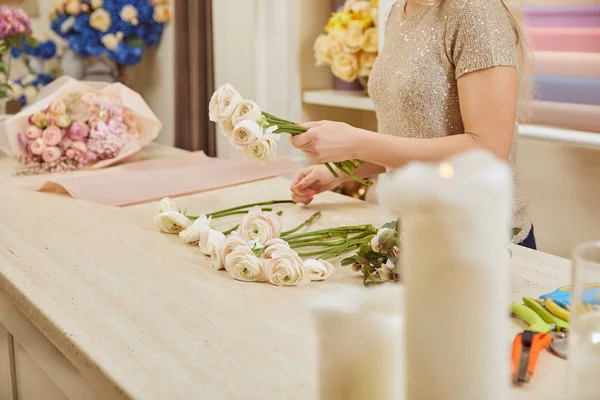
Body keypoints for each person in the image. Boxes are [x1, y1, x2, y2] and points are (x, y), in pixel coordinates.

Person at [289, 0, 537, 249]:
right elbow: (411, 135)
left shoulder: (476, 10)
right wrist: (338, 171)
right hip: (414, 237)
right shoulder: (398, 11)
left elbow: (489, 150)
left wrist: (355, 143)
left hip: (481, 244)